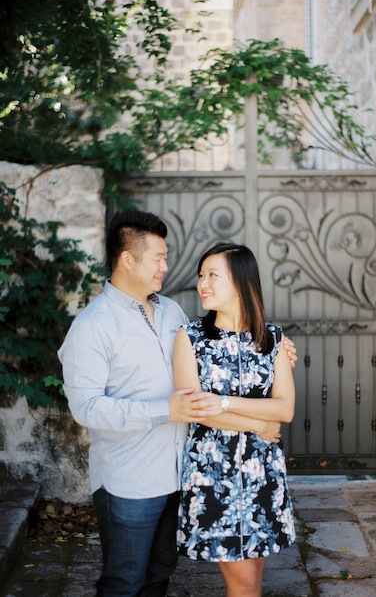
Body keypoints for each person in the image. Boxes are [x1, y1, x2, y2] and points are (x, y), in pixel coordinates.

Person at [58, 210, 297, 597]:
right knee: (123, 580)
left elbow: (215, 358)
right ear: (128, 259)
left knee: (158, 576)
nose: (167, 267)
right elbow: (86, 408)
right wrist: (166, 410)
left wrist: (277, 351)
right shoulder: (92, 326)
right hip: (129, 480)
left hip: (177, 476)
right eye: (159, 258)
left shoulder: (171, 312)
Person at [173, 243, 296, 597]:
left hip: (263, 475)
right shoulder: (190, 338)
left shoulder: (272, 339)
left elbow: (285, 409)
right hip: (214, 476)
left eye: (213, 275)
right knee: (243, 586)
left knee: (251, 581)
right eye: (200, 275)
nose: (202, 284)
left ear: (241, 282)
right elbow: (198, 409)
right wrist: (257, 422)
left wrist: (223, 402)